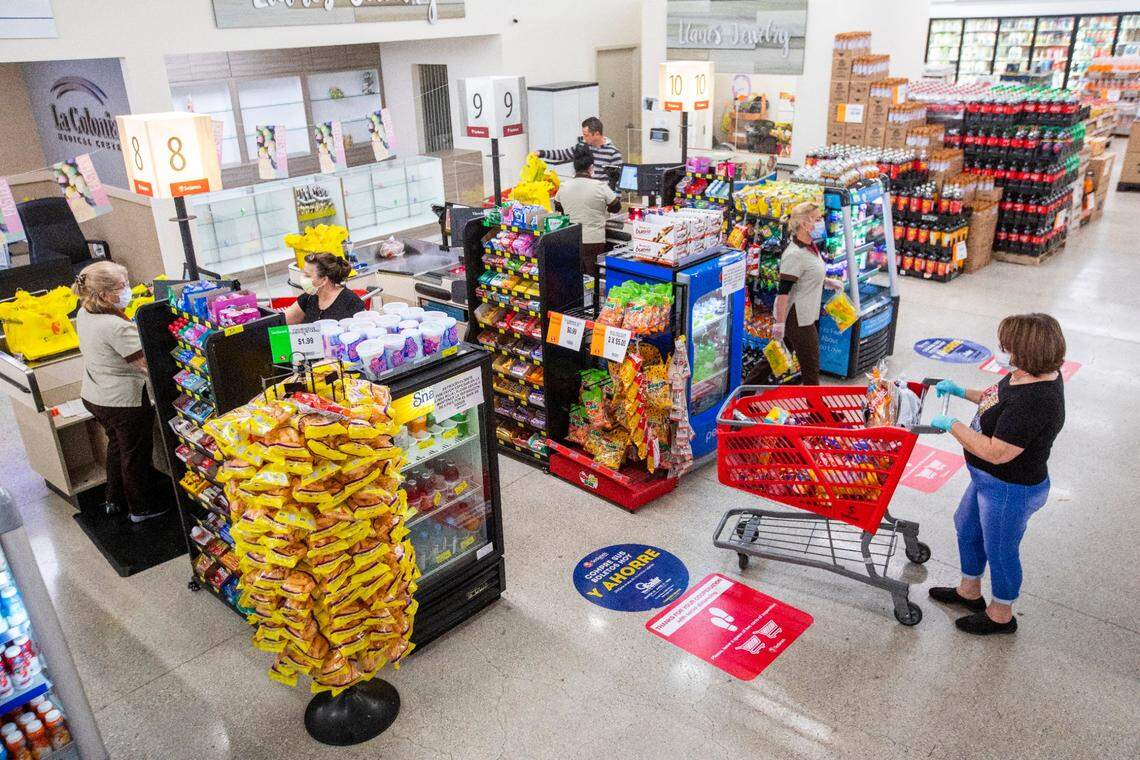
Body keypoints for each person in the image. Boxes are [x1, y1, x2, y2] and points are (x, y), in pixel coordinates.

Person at [928, 313, 1067, 636]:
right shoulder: (1024, 374)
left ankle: (1001, 614)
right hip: (986, 481)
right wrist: (960, 391)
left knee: (1001, 550)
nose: (1004, 352)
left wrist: (953, 426)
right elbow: (995, 398)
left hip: (1010, 489)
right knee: (966, 526)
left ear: (1028, 351)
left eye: (1010, 347)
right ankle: (969, 592)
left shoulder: (1038, 400)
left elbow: (997, 452)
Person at [74, 261, 165, 523]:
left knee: (117, 447)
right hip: (123, 402)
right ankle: (141, 509)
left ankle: (114, 499)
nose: (128, 290)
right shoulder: (115, 327)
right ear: (103, 294)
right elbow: (147, 365)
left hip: (95, 394)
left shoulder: (85, 312)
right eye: (122, 286)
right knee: (134, 455)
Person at [770, 202, 842, 385]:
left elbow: (806, 275)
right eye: (817, 219)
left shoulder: (810, 246)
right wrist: (779, 324)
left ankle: (742, 395)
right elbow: (783, 293)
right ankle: (814, 410)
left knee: (773, 361)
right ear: (804, 224)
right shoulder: (795, 254)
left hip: (804, 314)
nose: (822, 223)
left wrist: (826, 282)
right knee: (811, 367)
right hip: (798, 317)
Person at [554, 143, 621, 279]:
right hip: (594, 241)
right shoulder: (600, 187)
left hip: (572, 239)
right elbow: (616, 207)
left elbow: (559, 209)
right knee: (592, 277)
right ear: (591, 167)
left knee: (575, 277)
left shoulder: (564, 187)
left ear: (574, 167)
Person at [285, 253, 366, 324]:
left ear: (324, 280)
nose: (302, 278)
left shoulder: (351, 302)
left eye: (308, 275)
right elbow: (282, 321)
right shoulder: (308, 298)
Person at [534, 117, 623, 181]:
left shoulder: (613, 153)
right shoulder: (582, 146)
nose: (583, 138)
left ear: (596, 134)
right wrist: (541, 153)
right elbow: (563, 154)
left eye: (586, 135)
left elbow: (618, 179)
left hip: (601, 197)